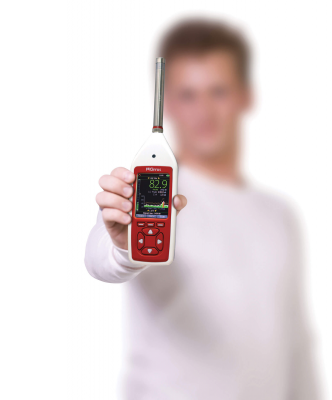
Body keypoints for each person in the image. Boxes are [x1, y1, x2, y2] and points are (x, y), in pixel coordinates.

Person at [85, 19, 320, 400]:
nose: (204, 110)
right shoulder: (149, 194)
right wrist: (124, 247)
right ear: (169, 104)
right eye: (188, 95)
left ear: (245, 97)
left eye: (218, 92)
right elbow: (101, 258)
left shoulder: (279, 216)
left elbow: (293, 343)